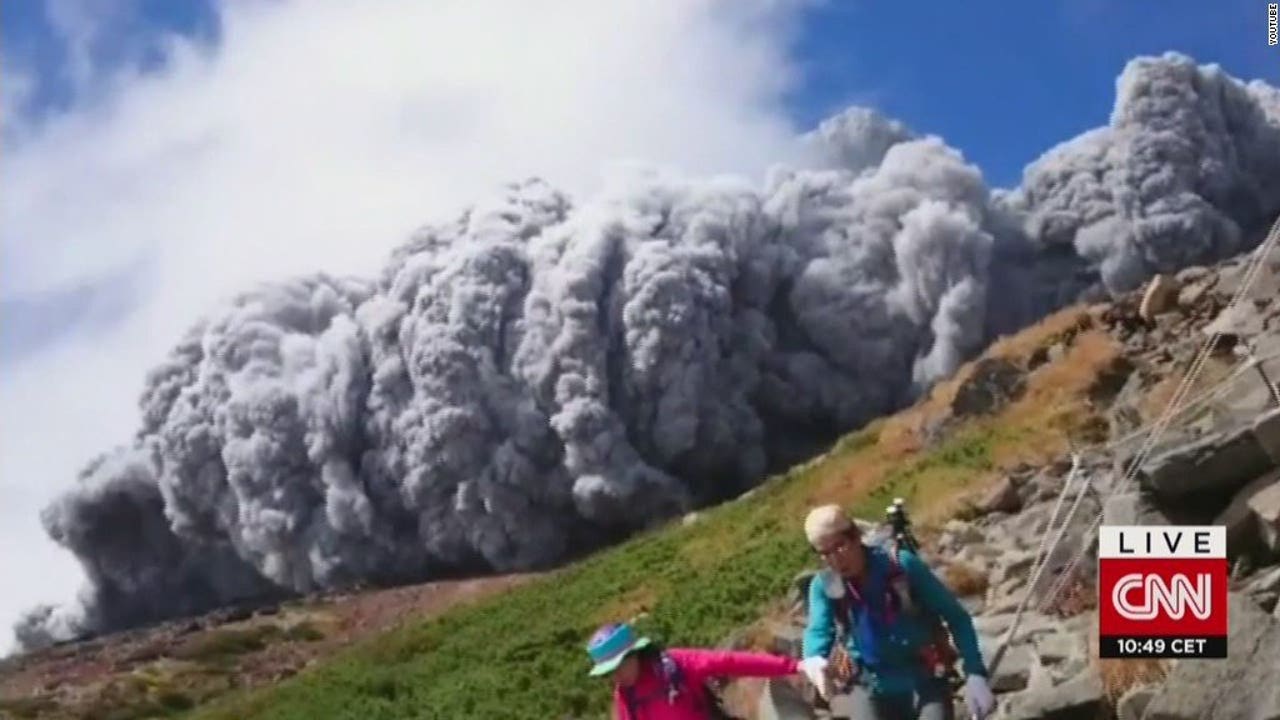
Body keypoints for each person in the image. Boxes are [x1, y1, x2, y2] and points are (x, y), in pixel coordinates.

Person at [796, 504, 996, 720]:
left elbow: (956, 617)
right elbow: (818, 630)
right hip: (868, 685)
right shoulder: (824, 586)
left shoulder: (902, 566)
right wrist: (813, 658)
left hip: (925, 679)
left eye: (840, 546)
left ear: (856, 537)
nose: (835, 559)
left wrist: (975, 673)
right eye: (825, 553)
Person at [585, 621, 817, 720]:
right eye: (608, 672)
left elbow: (730, 662)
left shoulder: (675, 664)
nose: (616, 676)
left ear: (634, 654)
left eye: (618, 666)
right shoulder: (625, 694)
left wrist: (794, 666)